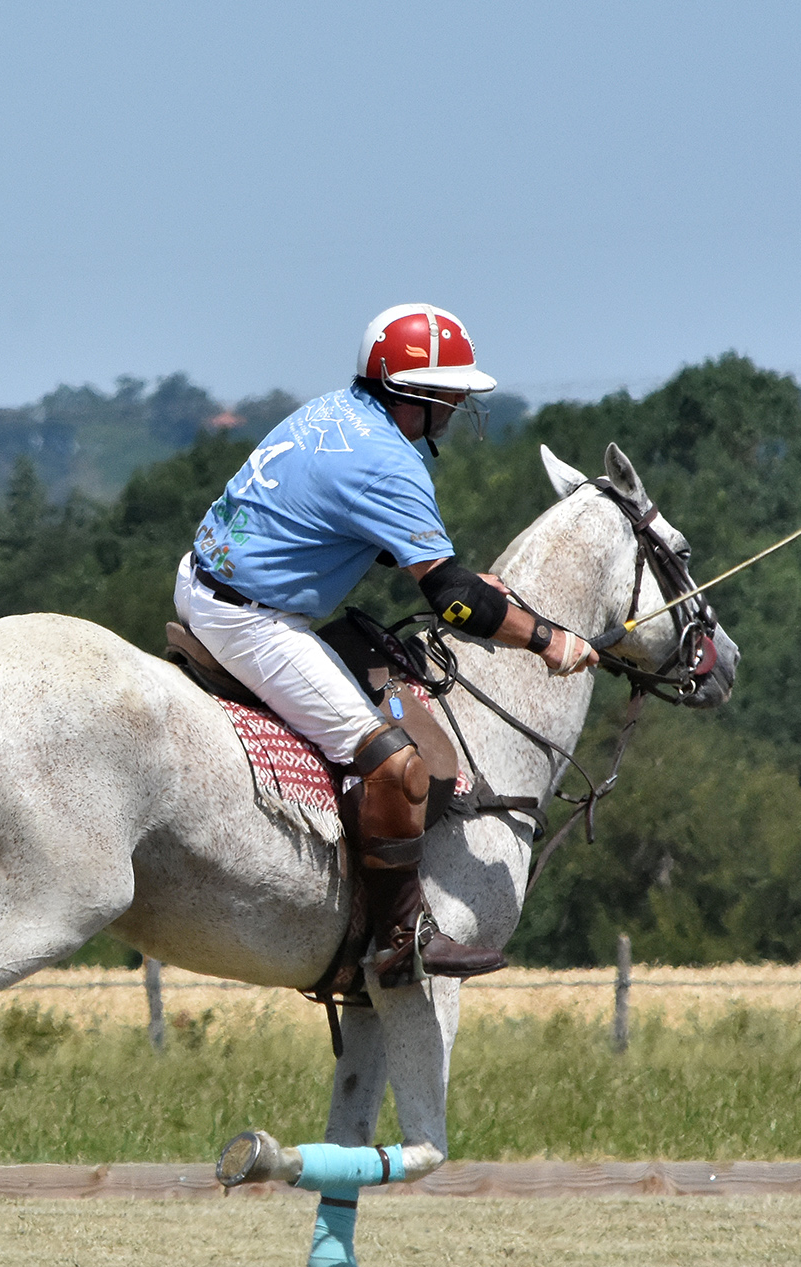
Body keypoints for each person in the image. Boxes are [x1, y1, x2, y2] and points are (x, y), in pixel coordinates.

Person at [177, 303, 600, 986]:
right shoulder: (390, 463)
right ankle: (401, 940)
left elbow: (338, 524)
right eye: (451, 392)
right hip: (252, 622)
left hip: (203, 580)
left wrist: (452, 574)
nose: (460, 403)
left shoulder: (335, 412)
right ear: (417, 396)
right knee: (397, 766)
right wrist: (550, 641)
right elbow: (453, 601)